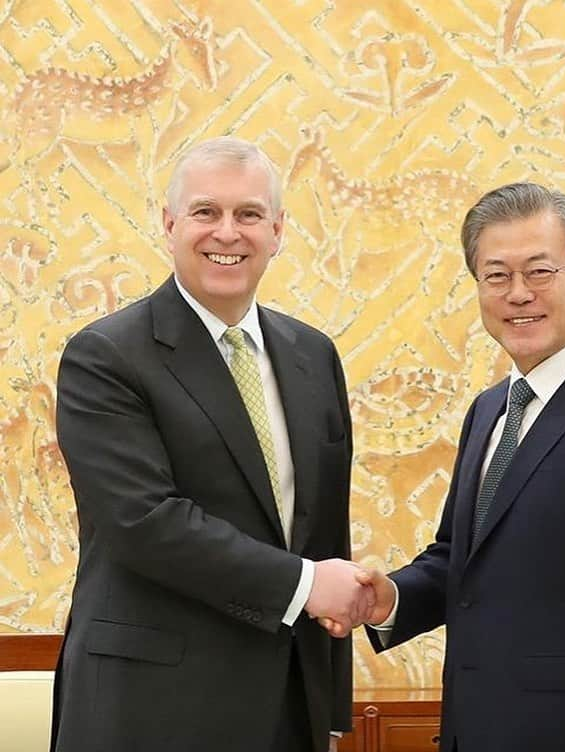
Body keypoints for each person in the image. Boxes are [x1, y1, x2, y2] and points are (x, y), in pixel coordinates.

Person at [335, 183, 565, 751]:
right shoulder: (490, 410)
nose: (518, 294)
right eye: (497, 275)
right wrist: (392, 598)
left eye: (539, 271)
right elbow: (460, 559)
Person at [53, 137, 372, 752]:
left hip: (285, 709)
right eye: (206, 212)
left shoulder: (313, 355)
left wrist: (328, 709)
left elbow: (325, 531)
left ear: (277, 231)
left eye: (249, 214)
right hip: (149, 710)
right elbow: (144, 522)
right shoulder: (107, 355)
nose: (228, 232)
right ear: (170, 225)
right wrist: (306, 585)